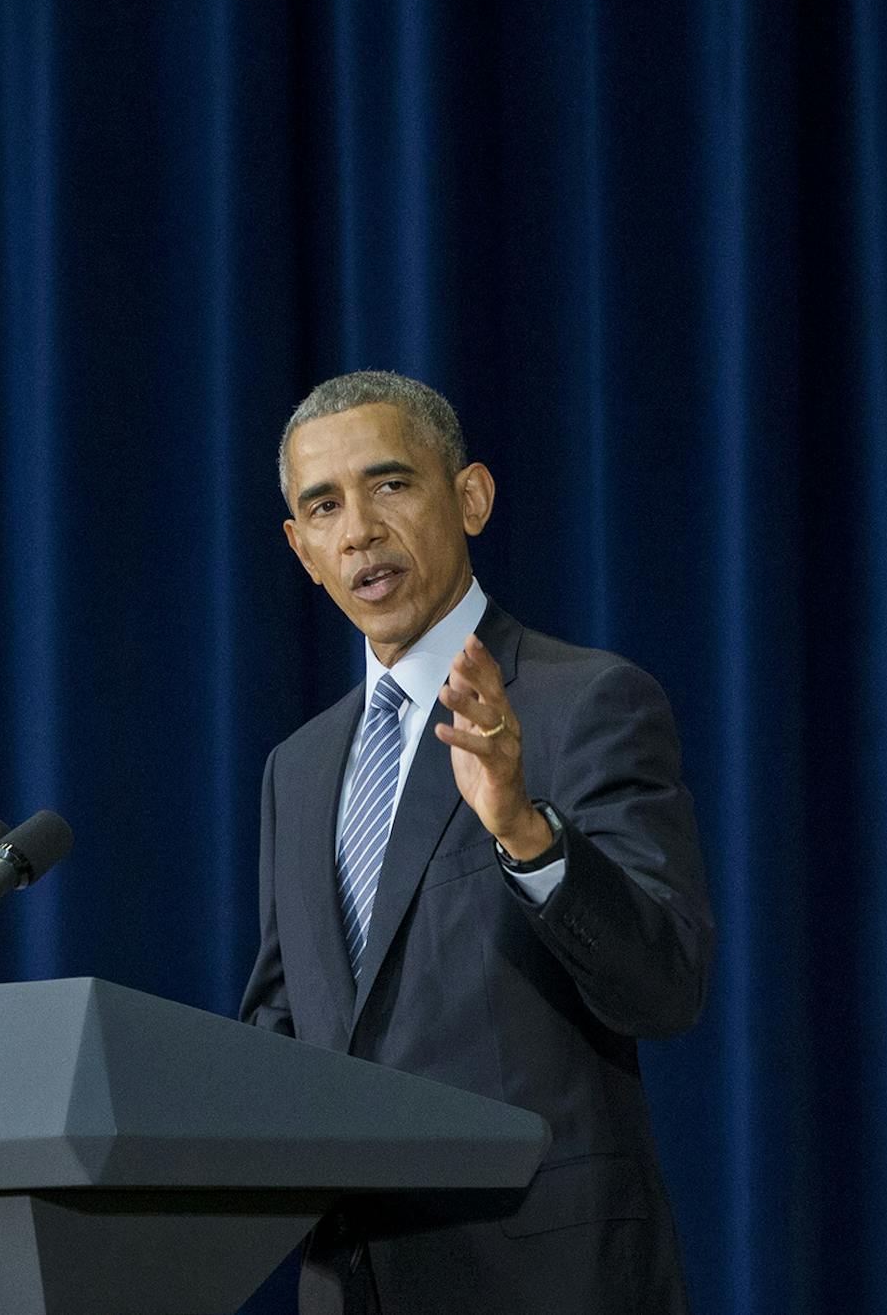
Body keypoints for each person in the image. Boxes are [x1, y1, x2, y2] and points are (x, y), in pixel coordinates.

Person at [238, 370, 713, 1315]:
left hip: (547, 1283)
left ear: (471, 498)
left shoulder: (585, 703)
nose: (359, 531)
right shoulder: (298, 768)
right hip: (356, 1286)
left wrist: (525, 832)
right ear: (302, 550)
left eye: (390, 484)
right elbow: (283, 1025)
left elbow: (666, 985)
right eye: (324, 507)